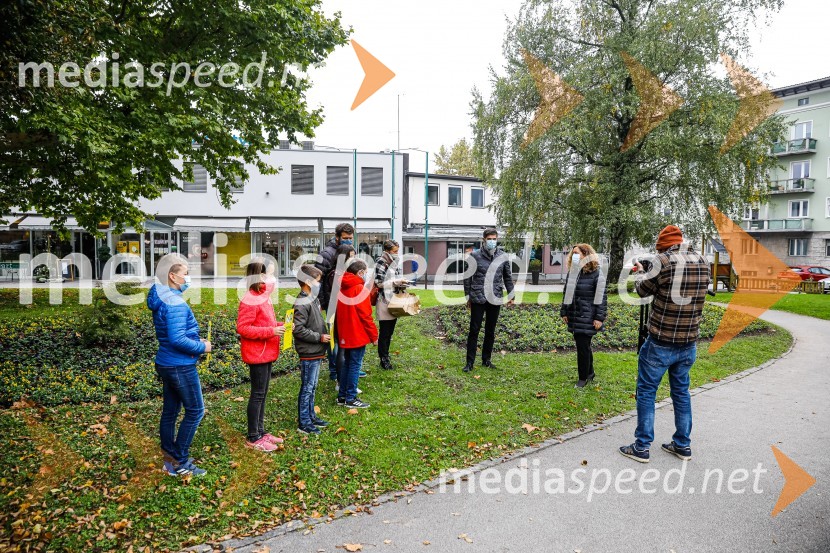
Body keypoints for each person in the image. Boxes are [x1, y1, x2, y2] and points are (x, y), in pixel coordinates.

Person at [619, 225, 710, 464]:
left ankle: (641, 446)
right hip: (689, 341)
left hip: (661, 341)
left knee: (647, 392)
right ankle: (682, 445)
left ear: (663, 245)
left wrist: (640, 272)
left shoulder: (662, 261)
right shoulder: (702, 260)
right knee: (681, 392)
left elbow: (641, 291)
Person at [147, 261, 209, 477]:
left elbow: (173, 334)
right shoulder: (175, 302)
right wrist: (202, 346)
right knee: (195, 410)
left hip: (166, 362)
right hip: (179, 365)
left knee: (171, 412)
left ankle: (169, 458)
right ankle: (180, 461)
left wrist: (192, 339)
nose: (188, 278)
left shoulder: (162, 297)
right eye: (186, 273)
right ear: (172, 276)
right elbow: (176, 339)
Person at [237, 259, 285, 452]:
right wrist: (271, 331)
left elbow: (267, 322)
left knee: (262, 393)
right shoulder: (250, 298)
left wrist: (282, 326)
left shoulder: (263, 296)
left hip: (266, 351)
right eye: (268, 274)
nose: (271, 278)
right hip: (257, 353)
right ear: (260, 276)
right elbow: (243, 328)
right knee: (257, 394)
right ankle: (253, 436)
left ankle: (261, 430)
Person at [463, 228, 515, 373]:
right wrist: (468, 296)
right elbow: (467, 278)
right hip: (478, 297)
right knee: (474, 330)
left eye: (494, 238)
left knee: (490, 331)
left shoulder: (503, 256)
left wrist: (511, 294)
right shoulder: (474, 255)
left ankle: (486, 359)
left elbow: (507, 277)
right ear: (484, 240)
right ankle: (469, 362)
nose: (492, 241)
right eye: (489, 238)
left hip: (495, 296)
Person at [560, 244, 607, 388]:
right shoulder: (573, 272)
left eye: (577, 253)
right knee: (584, 346)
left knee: (582, 347)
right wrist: (564, 311)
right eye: (572, 253)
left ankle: (582, 379)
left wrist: (599, 317)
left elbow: (601, 297)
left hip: (588, 315)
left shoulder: (596, 273)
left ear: (586, 255)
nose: (574, 256)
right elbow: (567, 293)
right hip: (575, 315)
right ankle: (590, 373)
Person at [292, 265, 332, 435]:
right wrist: (319, 337)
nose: (319, 283)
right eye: (317, 280)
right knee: (307, 386)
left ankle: (311, 415)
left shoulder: (313, 299)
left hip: (317, 350)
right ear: (308, 282)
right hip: (309, 351)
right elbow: (298, 329)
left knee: (313, 385)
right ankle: (304, 422)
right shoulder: (302, 303)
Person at [335, 259, 378, 408]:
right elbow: (366, 315)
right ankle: (351, 397)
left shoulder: (342, 287)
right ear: (360, 272)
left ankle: (342, 395)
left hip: (345, 331)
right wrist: (374, 335)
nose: (365, 275)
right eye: (365, 272)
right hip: (357, 332)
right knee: (354, 365)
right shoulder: (359, 288)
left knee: (348, 363)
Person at [326, 244, 358, 385]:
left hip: (339, 311)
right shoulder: (336, 274)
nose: (354, 259)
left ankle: (342, 378)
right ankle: (340, 380)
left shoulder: (340, 273)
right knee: (341, 348)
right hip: (338, 313)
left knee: (343, 347)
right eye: (351, 256)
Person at [374, 239, 408, 370]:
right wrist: (396, 282)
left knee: (389, 332)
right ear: (387, 251)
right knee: (385, 332)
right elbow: (378, 283)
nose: (397, 253)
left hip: (394, 300)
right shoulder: (381, 261)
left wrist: (402, 283)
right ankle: (384, 359)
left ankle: (385, 356)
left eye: (398, 251)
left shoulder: (393, 262)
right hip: (384, 301)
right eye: (395, 251)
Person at [314, 222, 355, 312]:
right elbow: (318, 279)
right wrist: (321, 302)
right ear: (337, 237)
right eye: (345, 238)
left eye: (350, 238)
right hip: (332, 300)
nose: (348, 240)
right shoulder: (326, 254)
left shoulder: (351, 251)